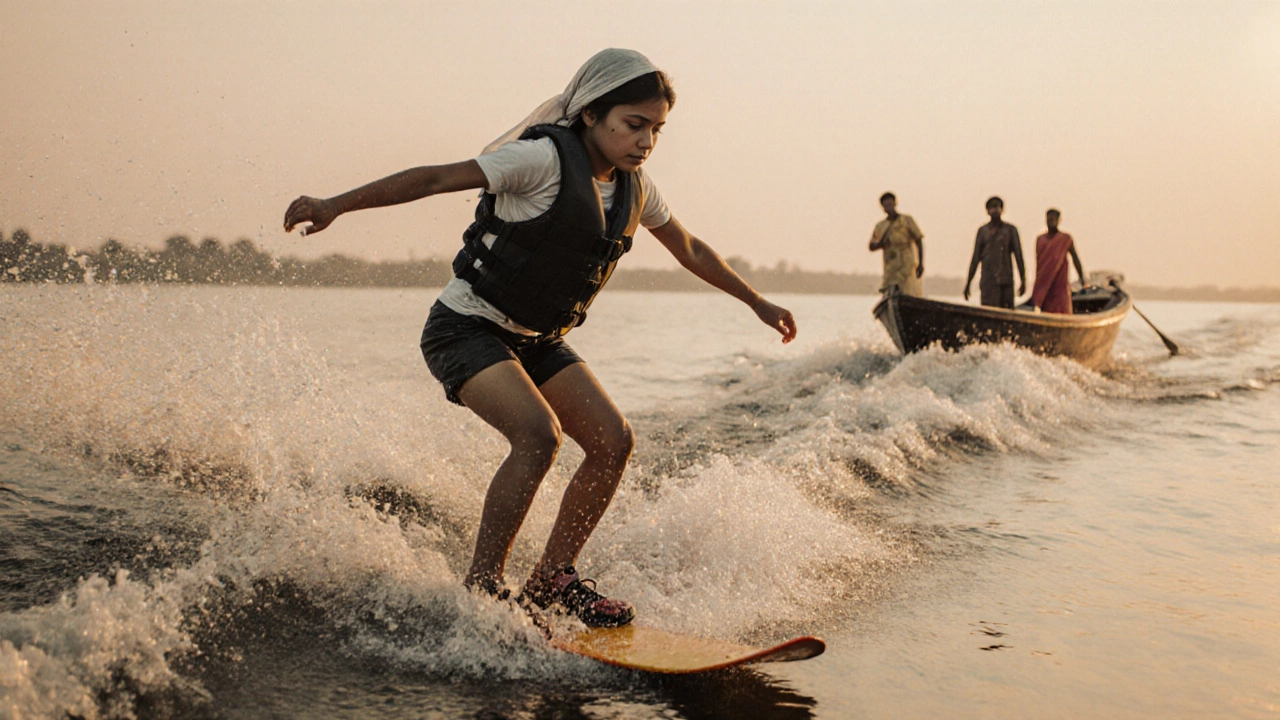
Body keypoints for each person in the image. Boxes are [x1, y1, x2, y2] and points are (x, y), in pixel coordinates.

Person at [282, 49, 797, 628]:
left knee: (612, 441)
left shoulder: (636, 189)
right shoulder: (539, 160)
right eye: (633, 125)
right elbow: (433, 178)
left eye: (657, 129)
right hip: (465, 327)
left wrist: (757, 302)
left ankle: (554, 577)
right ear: (589, 115)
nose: (646, 141)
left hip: (536, 339)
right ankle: (482, 587)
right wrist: (333, 206)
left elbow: (691, 249)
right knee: (538, 436)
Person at [964, 196, 1025, 308]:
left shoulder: (1010, 230)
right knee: (988, 315)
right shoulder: (983, 231)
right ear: (987, 211)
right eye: (992, 207)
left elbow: (1019, 256)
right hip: (988, 282)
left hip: (1005, 282)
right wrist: (968, 283)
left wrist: (1023, 280)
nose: (995, 210)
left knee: (1006, 316)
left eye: (997, 207)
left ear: (1002, 210)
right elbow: (975, 258)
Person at [1030, 208, 1086, 314]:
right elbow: (1039, 264)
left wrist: (1082, 278)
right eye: (1049, 219)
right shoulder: (1040, 239)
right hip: (1045, 282)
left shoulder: (1065, 238)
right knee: (1046, 308)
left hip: (1060, 280)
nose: (1051, 221)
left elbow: (1075, 258)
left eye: (1054, 219)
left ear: (1059, 220)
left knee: (1062, 306)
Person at [868, 192, 924, 296]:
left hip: (907, 265)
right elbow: (871, 246)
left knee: (908, 292)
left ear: (895, 204)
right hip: (890, 269)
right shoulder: (881, 226)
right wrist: (881, 244)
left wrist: (920, 263)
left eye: (890, 204)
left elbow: (919, 240)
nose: (888, 207)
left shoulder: (906, 220)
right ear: (882, 208)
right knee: (890, 292)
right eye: (886, 205)